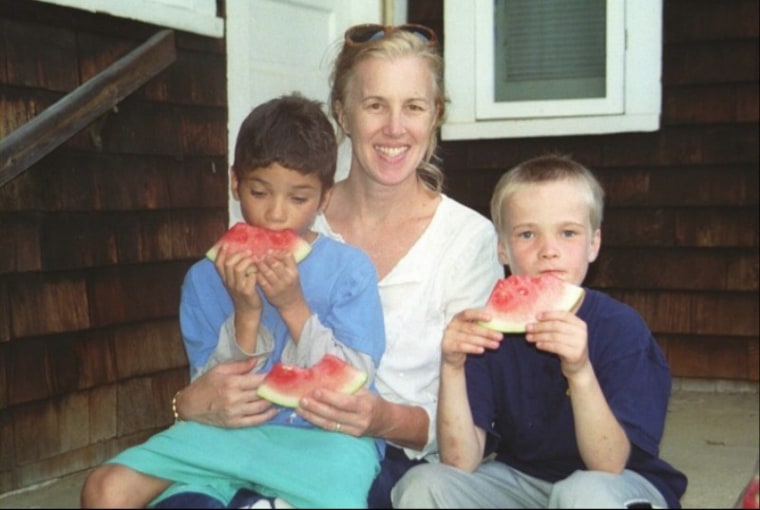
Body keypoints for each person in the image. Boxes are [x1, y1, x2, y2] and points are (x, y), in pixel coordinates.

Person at [161, 23, 504, 509]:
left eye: (413, 106)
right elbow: (223, 353)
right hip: (263, 437)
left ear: (436, 116)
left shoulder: (469, 239)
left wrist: (381, 417)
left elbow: (473, 421)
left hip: (392, 459)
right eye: (375, 105)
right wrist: (185, 403)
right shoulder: (293, 210)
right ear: (343, 113)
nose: (394, 128)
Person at [80, 93, 386, 509]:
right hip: (224, 435)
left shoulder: (350, 270)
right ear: (235, 182)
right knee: (104, 490)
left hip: (324, 441)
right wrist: (246, 314)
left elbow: (354, 381)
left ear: (324, 198)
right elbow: (208, 393)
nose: (276, 215)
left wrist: (293, 306)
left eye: (298, 198)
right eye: (260, 192)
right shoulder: (204, 279)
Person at [391, 154, 689, 508]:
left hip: (619, 484)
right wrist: (452, 367)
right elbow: (460, 462)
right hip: (520, 481)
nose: (548, 251)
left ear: (593, 244)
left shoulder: (622, 329)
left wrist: (579, 372)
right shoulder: (489, 331)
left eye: (567, 233)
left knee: (582, 494)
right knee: (423, 484)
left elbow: (608, 464)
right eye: (527, 234)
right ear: (502, 248)